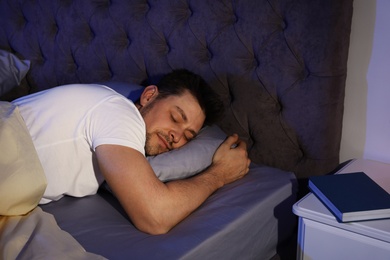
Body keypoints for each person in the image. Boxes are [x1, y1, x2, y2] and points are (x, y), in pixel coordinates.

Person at [12, 69, 251, 234]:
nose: (176, 136)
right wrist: (219, 174)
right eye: (176, 117)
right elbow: (155, 216)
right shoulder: (121, 114)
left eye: (188, 137)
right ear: (148, 96)